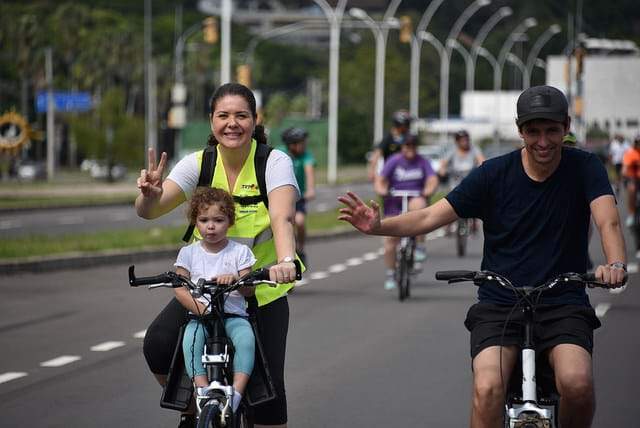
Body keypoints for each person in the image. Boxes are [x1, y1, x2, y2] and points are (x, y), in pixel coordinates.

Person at [338, 85, 626, 428]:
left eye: (552, 130)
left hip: (563, 301)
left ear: (565, 127)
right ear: (520, 131)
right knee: (488, 387)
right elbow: (430, 217)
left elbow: (606, 220)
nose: (544, 141)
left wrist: (616, 263)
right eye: (533, 131)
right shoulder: (493, 174)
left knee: (576, 384)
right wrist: (378, 226)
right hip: (500, 302)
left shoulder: (585, 167)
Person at [135, 82, 299, 428]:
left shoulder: (273, 161)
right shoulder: (199, 163)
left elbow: (282, 218)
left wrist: (285, 263)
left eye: (241, 115)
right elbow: (149, 211)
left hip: (260, 288)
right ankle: (195, 407)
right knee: (159, 344)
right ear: (212, 121)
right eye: (223, 115)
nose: (232, 123)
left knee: (268, 393)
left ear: (255, 120)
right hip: (204, 290)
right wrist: (149, 195)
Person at [176, 187, 256, 413]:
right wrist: (199, 308)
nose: (210, 226)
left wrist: (237, 280)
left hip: (232, 316)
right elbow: (179, 288)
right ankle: (202, 391)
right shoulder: (188, 253)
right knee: (189, 341)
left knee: (246, 341)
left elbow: (250, 291)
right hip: (200, 317)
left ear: (230, 221)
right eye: (203, 220)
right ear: (195, 221)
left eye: (218, 220)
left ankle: (236, 395)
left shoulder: (239, 252)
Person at [375, 134, 438, 290]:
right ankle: (390, 273)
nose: (410, 149)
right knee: (390, 239)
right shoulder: (394, 161)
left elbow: (432, 179)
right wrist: (382, 190)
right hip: (394, 202)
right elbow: (381, 179)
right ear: (402, 147)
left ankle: (419, 246)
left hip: (415, 198)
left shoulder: (423, 162)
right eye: (407, 145)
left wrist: (427, 191)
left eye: (413, 146)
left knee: (419, 206)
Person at [279, 127, 316, 266]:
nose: (305, 145)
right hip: (281, 197)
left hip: (298, 197)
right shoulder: (280, 153)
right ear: (292, 144)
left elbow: (309, 170)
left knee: (299, 222)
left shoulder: (306, 156)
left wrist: (311, 189)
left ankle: (300, 249)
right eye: (302, 142)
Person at [438, 129, 485, 235]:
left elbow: (481, 160)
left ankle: (474, 219)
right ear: (457, 141)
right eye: (461, 140)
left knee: (476, 195)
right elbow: (444, 163)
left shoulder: (474, 149)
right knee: (450, 198)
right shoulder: (452, 151)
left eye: (466, 140)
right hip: (455, 179)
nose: (464, 142)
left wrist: (482, 168)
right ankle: (448, 223)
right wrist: (442, 170)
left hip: (470, 178)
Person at [367, 109, 413, 181]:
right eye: (407, 124)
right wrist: (372, 171)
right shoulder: (388, 138)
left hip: (406, 172)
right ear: (400, 124)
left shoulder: (408, 137)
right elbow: (376, 154)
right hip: (391, 173)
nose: (409, 127)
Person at [622, 136, 640, 239]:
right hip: (634, 180)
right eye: (638, 142)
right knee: (631, 188)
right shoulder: (631, 153)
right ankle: (631, 214)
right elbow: (625, 170)